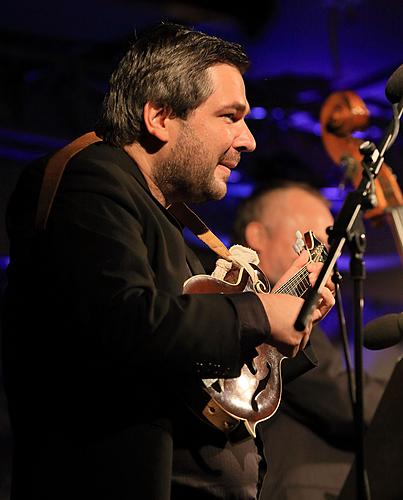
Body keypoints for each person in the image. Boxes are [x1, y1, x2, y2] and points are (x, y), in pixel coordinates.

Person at [0, 23, 335, 500]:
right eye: (230, 116)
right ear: (159, 116)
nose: (250, 140)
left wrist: (282, 329)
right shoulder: (90, 180)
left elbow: (190, 373)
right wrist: (260, 314)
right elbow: (125, 321)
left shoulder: (161, 216)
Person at [232, 180, 386, 500]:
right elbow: (343, 398)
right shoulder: (248, 309)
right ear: (257, 236)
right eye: (311, 241)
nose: (323, 257)